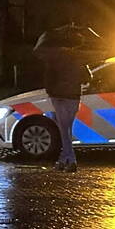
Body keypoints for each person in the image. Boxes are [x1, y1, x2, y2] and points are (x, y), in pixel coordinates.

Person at [33, 25, 89, 172]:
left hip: (58, 96)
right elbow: (87, 77)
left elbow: (48, 74)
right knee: (66, 129)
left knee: (64, 129)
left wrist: (50, 88)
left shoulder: (53, 56)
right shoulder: (79, 57)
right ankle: (64, 161)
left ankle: (71, 161)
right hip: (73, 96)